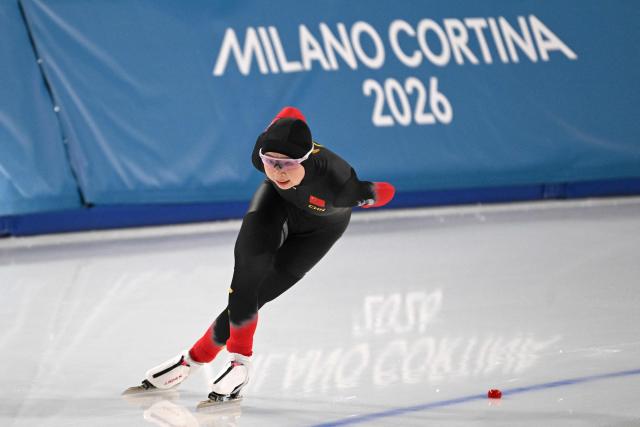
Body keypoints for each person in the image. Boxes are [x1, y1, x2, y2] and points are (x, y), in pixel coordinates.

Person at [129, 107, 395, 403]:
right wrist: (279, 130)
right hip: (276, 206)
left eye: (288, 164)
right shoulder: (261, 155)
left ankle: (194, 358)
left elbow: (386, 191)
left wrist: (370, 195)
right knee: (246, 275)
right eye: (271, 162)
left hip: (318, 234)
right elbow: (291, 113)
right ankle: (236, 364)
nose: (278, 171)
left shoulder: (339, 183)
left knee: (258, 296)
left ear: (305, 159)